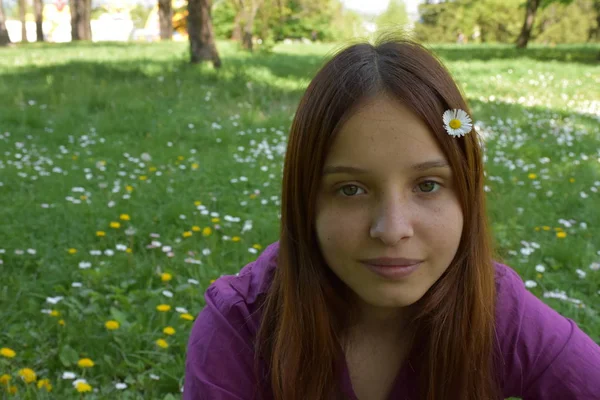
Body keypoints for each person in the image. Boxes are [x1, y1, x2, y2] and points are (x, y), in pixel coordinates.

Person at [183, 34, 600, 400]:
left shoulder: (497, 312)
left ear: (467, 195)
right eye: (351, 189)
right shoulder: (241, 327)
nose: (392, 229)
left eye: (428, 185)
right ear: (305, 202)